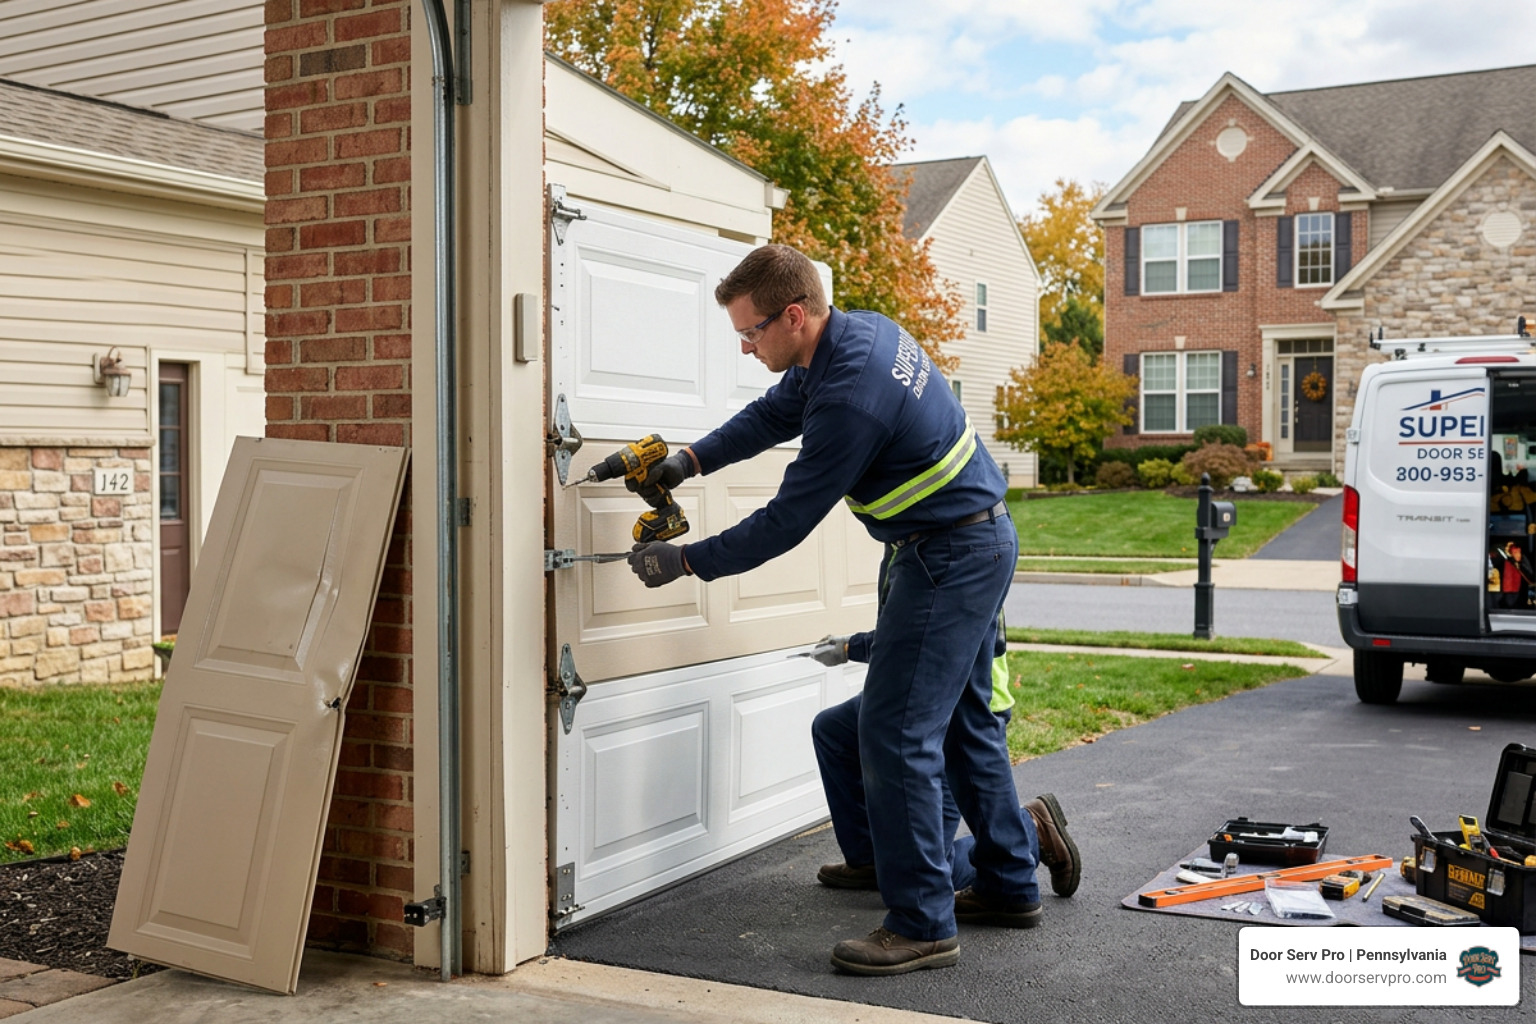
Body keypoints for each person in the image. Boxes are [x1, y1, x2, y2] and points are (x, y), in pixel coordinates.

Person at [627, 244, 1035, 976]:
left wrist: (685, 561)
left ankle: (921, 923)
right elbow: (773, 413)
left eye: (751, 334)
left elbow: (786, 522)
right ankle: (1008, 882)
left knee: (894, 730)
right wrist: (689, 459)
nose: (747, 348)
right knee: (967, 723)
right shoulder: (855, 335)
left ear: (793, 315)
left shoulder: (851, 394)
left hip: (947, 558)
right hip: (967, 542)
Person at [804, 627, 1081, 899]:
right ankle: (870, 862)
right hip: (910, 693)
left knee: (925, 875)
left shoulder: (961, 583)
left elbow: (933, 631)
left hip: (958, 706)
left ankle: (1031, 828)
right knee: (833, 730)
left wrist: (851, 647)